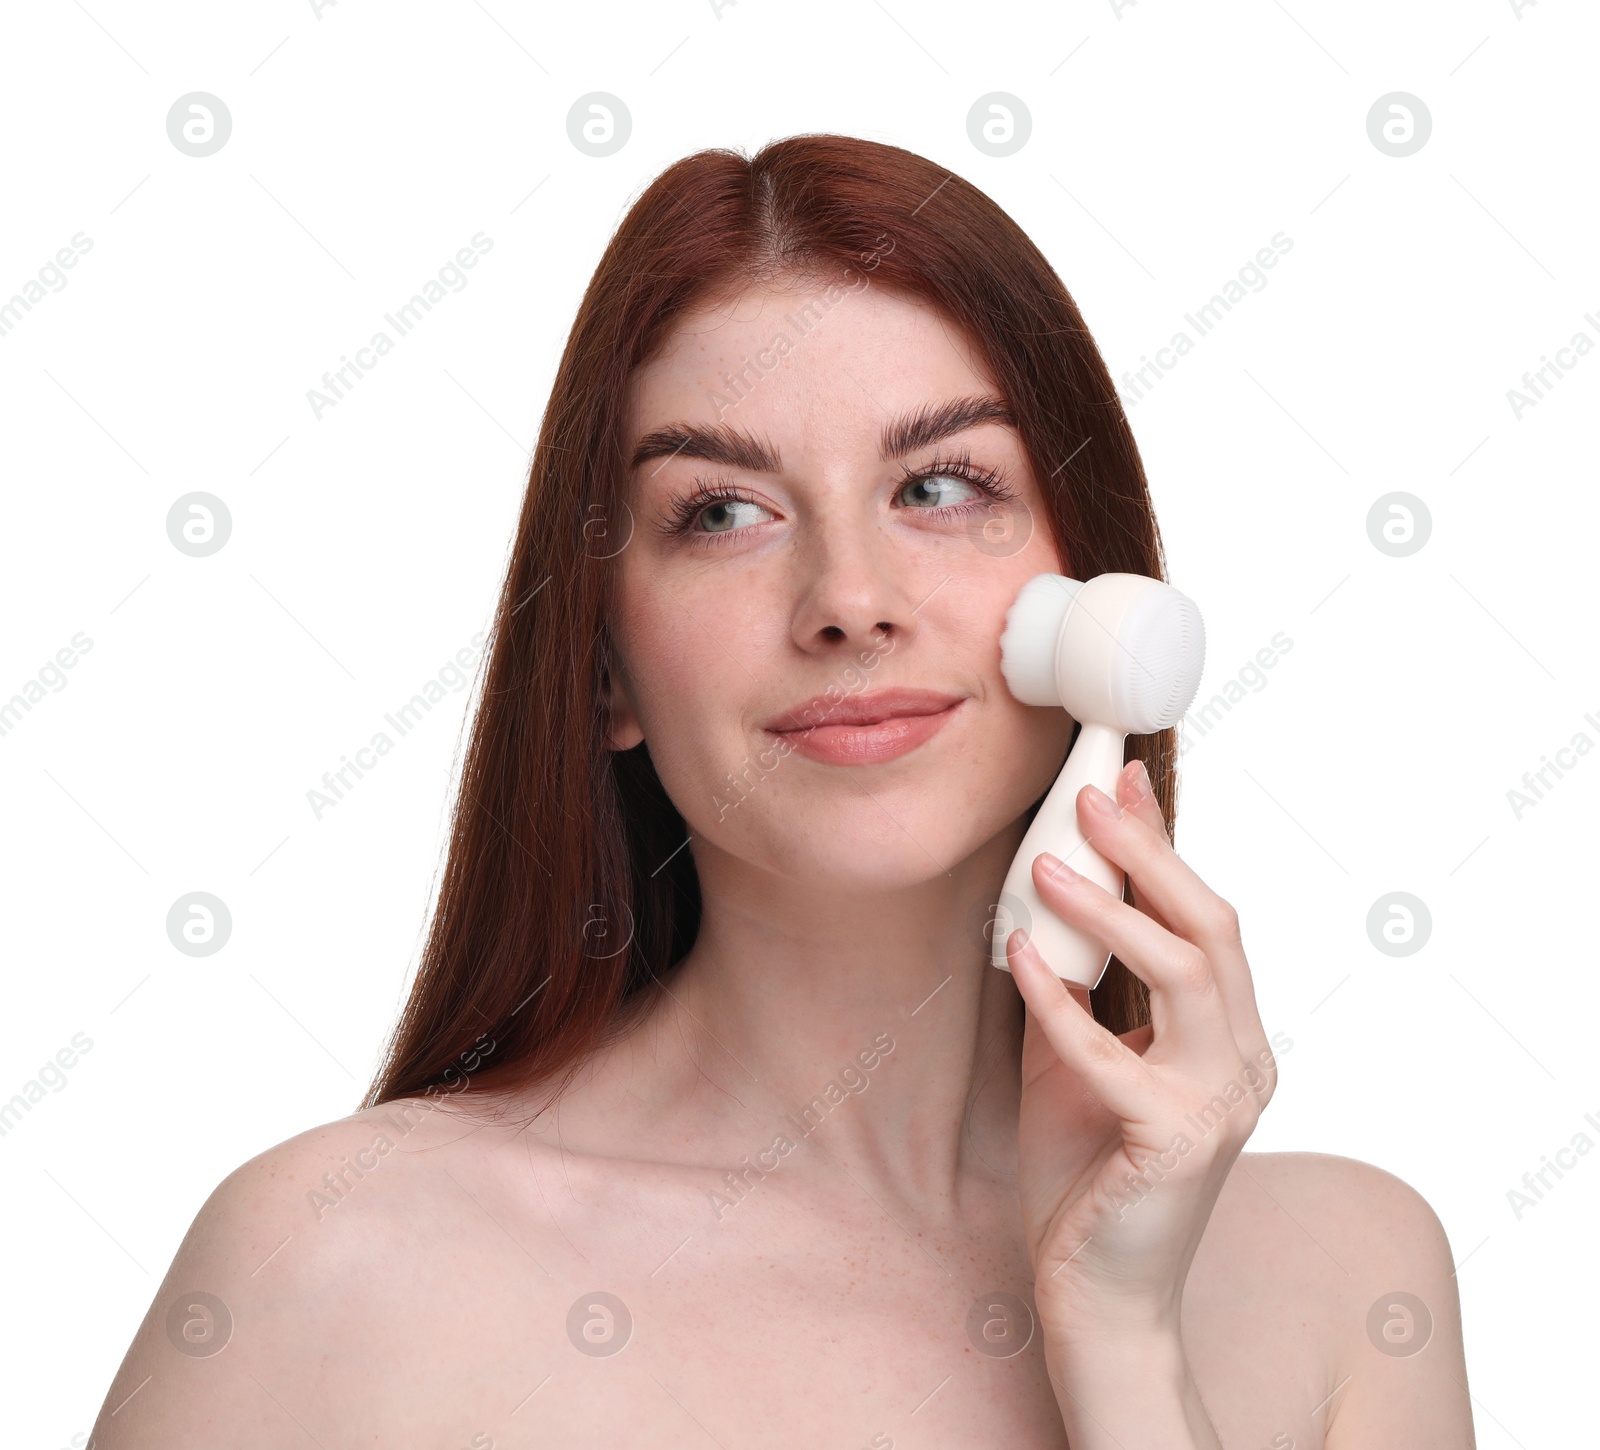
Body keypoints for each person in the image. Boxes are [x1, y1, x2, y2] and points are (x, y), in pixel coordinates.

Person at [90, 134, 1473, 1448]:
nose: (850, 603)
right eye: (722, 512)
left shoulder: (1350, 1280)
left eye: (938, 484)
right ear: (606, 668)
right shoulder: (331, 1262)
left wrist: (1124, 1348)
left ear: (1098, 600)